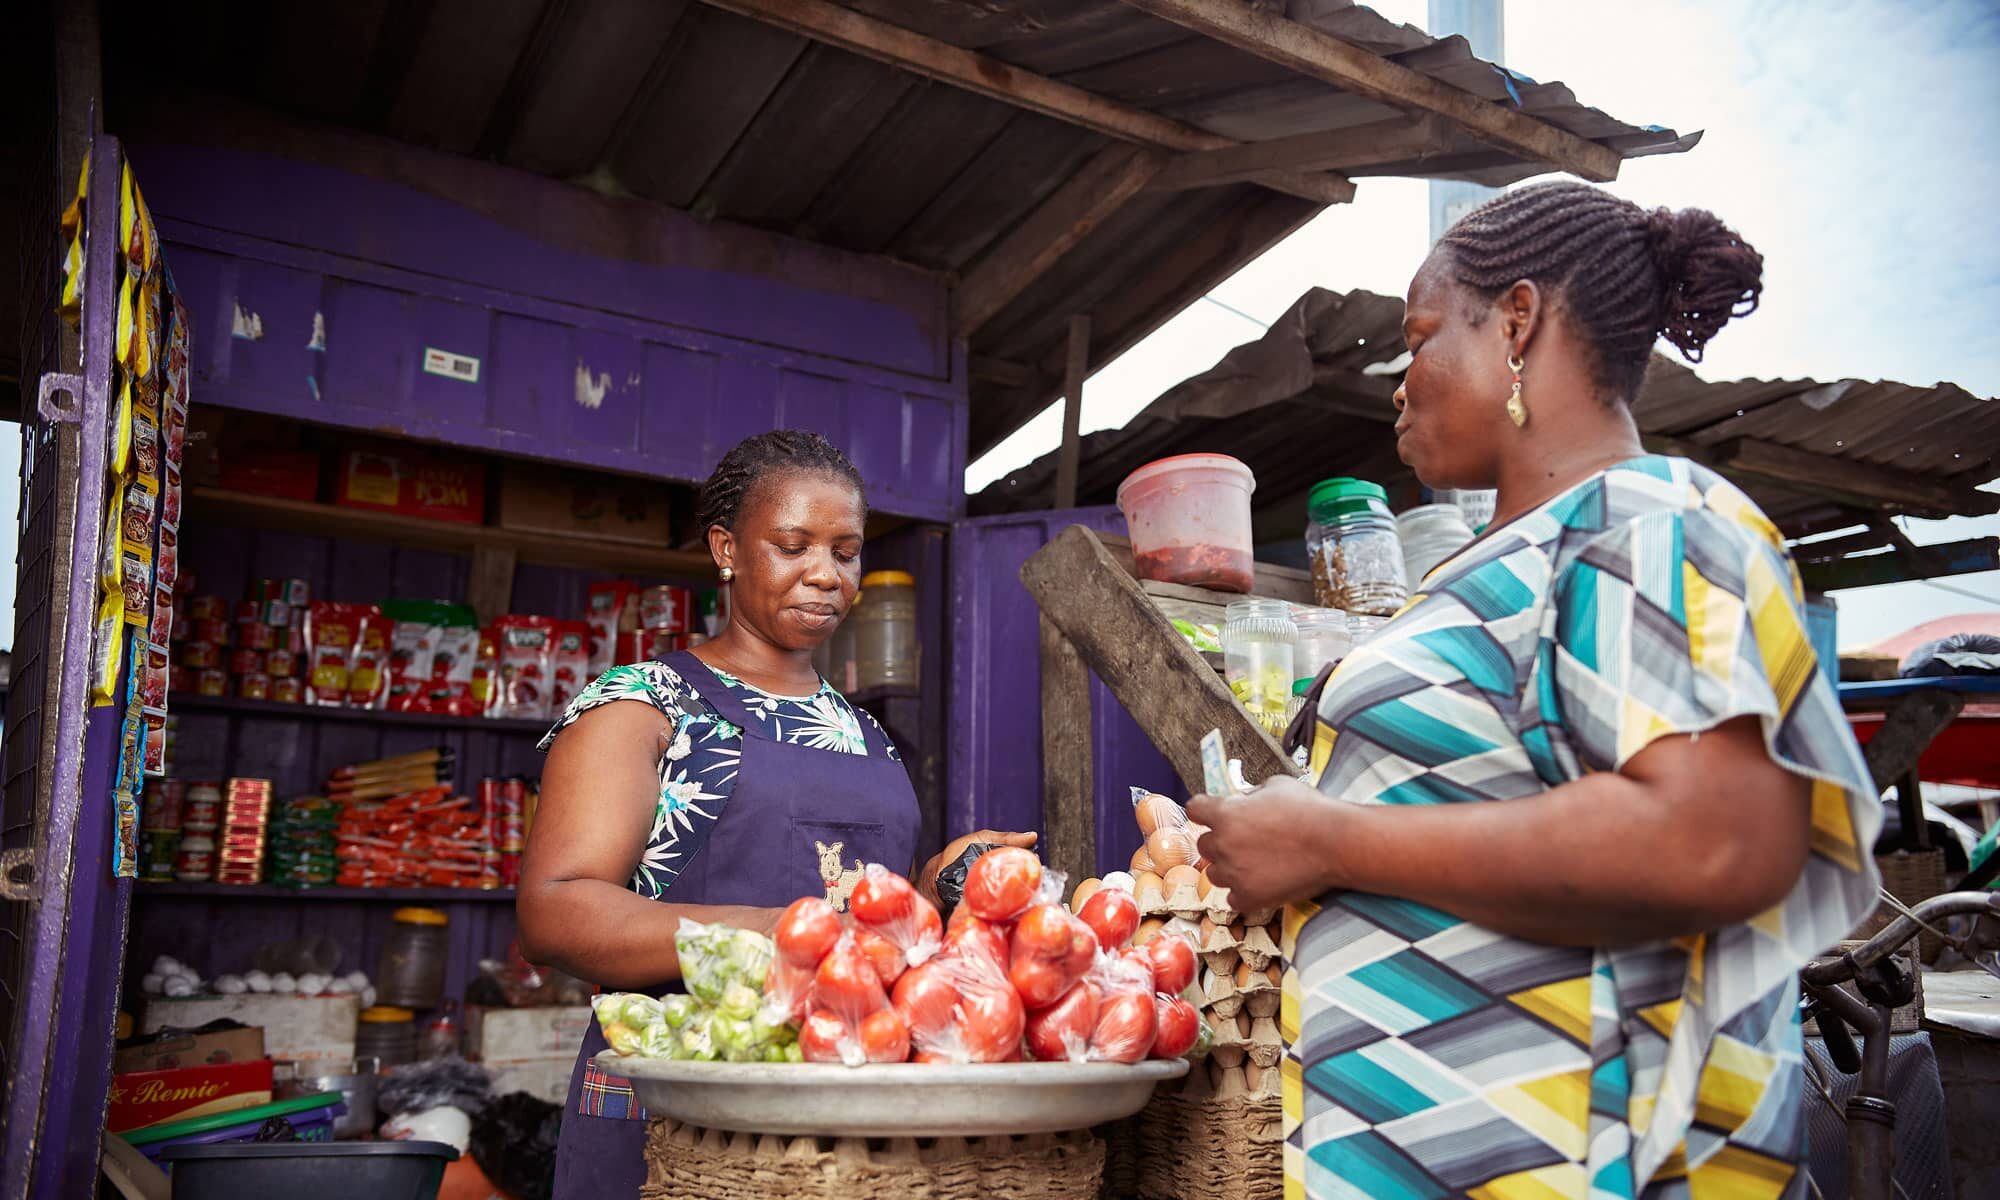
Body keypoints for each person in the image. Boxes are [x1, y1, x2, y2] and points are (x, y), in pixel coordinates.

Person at [1190, 182, 1880, 1200]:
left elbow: (1709, 839)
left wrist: (1329, 842)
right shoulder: (1495, 566)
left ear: (1515, 323)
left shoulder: (1642, 522)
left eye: (1418, 336)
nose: (1397, 379)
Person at [519, 430, 1034, 1197]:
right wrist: (781, 931)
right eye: (792, 546)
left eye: (846, 551)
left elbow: (868, 932)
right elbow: (555, 913)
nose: (825, 575)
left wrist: (929, 892)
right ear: (726, 549)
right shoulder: (643, 706)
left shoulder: (863, 733)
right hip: (677, 1100)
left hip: (841, 1109)